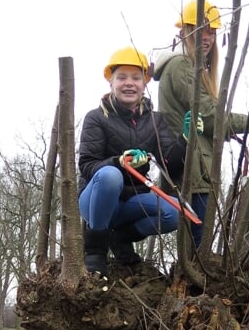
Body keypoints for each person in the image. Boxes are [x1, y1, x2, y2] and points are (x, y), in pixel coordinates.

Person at [154, 2, 249, 246]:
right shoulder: (181, 66)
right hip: (193, 170)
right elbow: (209, 116)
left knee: (198, 247)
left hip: (200, 170)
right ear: (184, 32)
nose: (206, 37)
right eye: (199, 29)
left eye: (211, 31)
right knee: (198, 249)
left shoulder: (194, 69)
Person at [76, 47, 185, 275]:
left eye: (136, 78)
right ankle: (95, 250)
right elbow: (86, 166)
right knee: (110, 175)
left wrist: (185, 140)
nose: (129, 83)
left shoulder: (155, 120)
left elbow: (170, 164)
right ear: (111, 82)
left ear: (144, 83)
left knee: (175, 213)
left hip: (130, 201)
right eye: (122, 77)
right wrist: (118, 162)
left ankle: (120, 239)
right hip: (96, 200)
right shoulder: (96, 118)